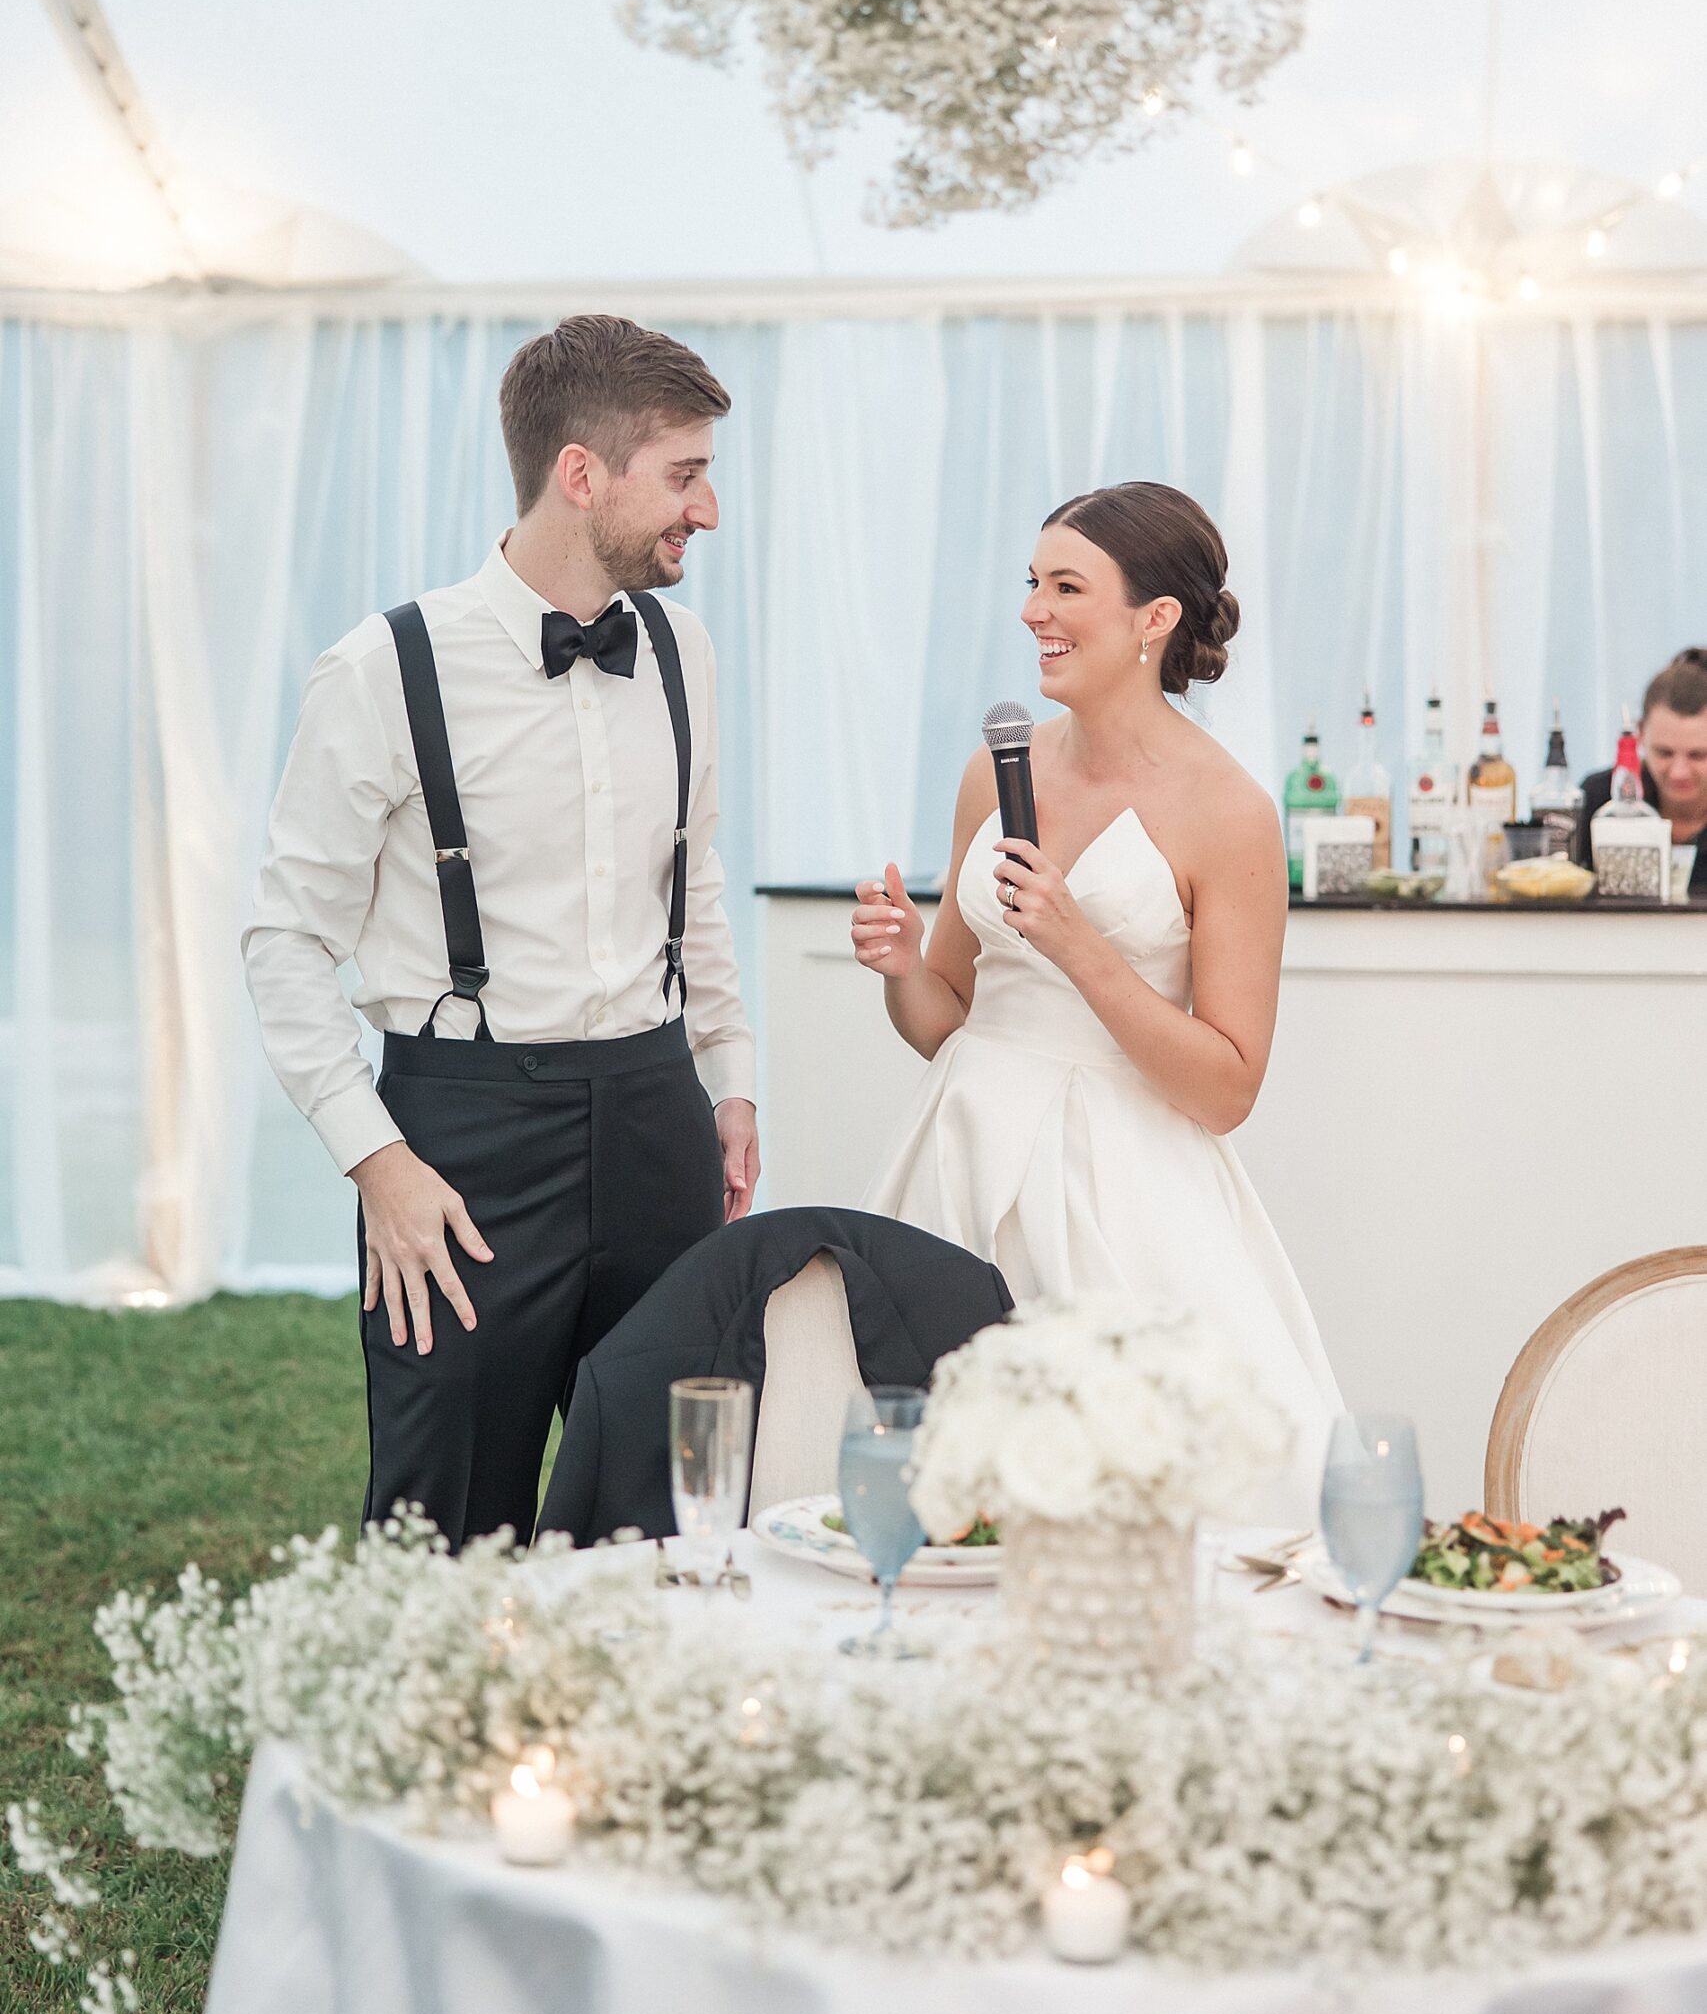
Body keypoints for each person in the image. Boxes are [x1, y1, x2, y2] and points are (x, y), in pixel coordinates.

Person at [243, 315, 759, 1552]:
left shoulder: (682, 651)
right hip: (463, 1147)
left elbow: (693, 889)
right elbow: (285, 943)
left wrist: (728, 1084)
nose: (711, 509)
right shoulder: (381, 669)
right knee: (446, 1524)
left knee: (669, 1512)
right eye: (684, 474)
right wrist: (379, 1162)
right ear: (581, 473)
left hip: (656, 1120)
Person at [853, 481, 1338, 1520]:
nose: (1035, 609)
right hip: (961, 1156)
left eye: (1067, 586)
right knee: (937, 1486)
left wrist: (1080, 944)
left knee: (1126, 1495)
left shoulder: (1231, 812)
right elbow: (946, 1016)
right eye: (1033, 583)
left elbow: (1227, 1087)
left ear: (1153, 620)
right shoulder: (995, 769)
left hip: (1121, 1190)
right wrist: (902, 966)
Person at [1580, 649, 1707, 896]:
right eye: (1664, 753)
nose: (1679, 772)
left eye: (1698, 755)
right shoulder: (1599, 799)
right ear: (1640, 733)